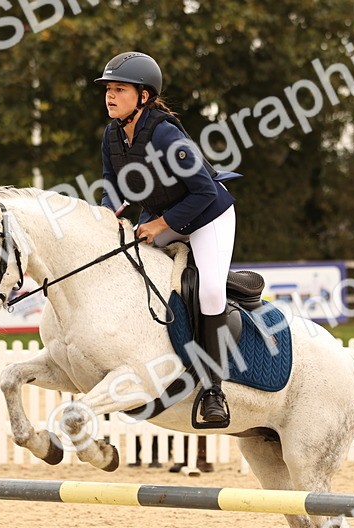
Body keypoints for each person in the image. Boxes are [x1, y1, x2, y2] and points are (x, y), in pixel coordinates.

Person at [95, 51, 239, 426]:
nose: (110, 96)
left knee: (209, 290)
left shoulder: (165, 133)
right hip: (162, 215)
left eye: (119, 90)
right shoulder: (112, 135)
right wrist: (110, 210)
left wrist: (159, 225)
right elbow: (113, 185)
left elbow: (204, 192)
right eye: (108, 89)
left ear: (143, 96)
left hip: (208, 215)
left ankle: (213, 390)